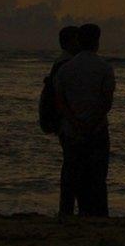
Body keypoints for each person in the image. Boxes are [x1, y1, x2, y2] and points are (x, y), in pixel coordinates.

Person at [54, 23, 114, 217]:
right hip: (97, 129)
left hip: (72, 129)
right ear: (97, 42)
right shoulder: (104, 68)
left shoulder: (65, 68)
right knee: (97, 177)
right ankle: (98, 214)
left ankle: (68, 213)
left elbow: (61, 102)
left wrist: (75, 122)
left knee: (72, 174)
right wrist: (92, 123)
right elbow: (106, 102)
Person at [49, 26, 80, 216]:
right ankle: (67, 209)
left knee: (71, 165)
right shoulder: (65, 64)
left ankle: (67, 208)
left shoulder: (61, 63)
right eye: (77, 40)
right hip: (68, 124)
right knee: (72, 166)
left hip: (65, 123)